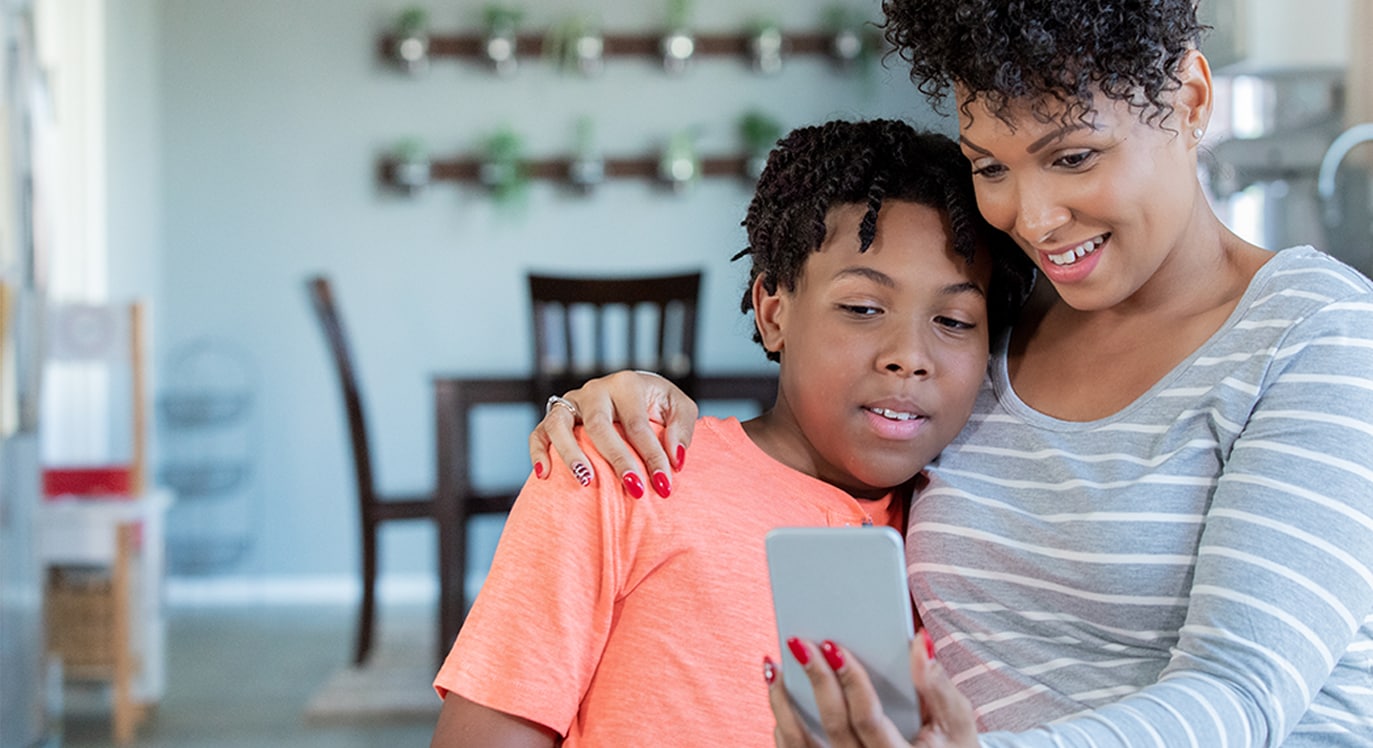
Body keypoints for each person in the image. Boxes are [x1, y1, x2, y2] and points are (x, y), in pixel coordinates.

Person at [526, 1, 1373, 745]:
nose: (1031, 217)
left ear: (1188, 99)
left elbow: (1241, 693)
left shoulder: (1319, 336)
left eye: (1073, 157)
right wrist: (634, 404)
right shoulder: (984, 338)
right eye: (991, 166)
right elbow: (813, 453)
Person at [429, 118, 1034, 747]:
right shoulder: (626, 467)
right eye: (862, 308)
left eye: (955, 320)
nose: (909, 356)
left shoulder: (964, 539)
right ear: (773, 311)